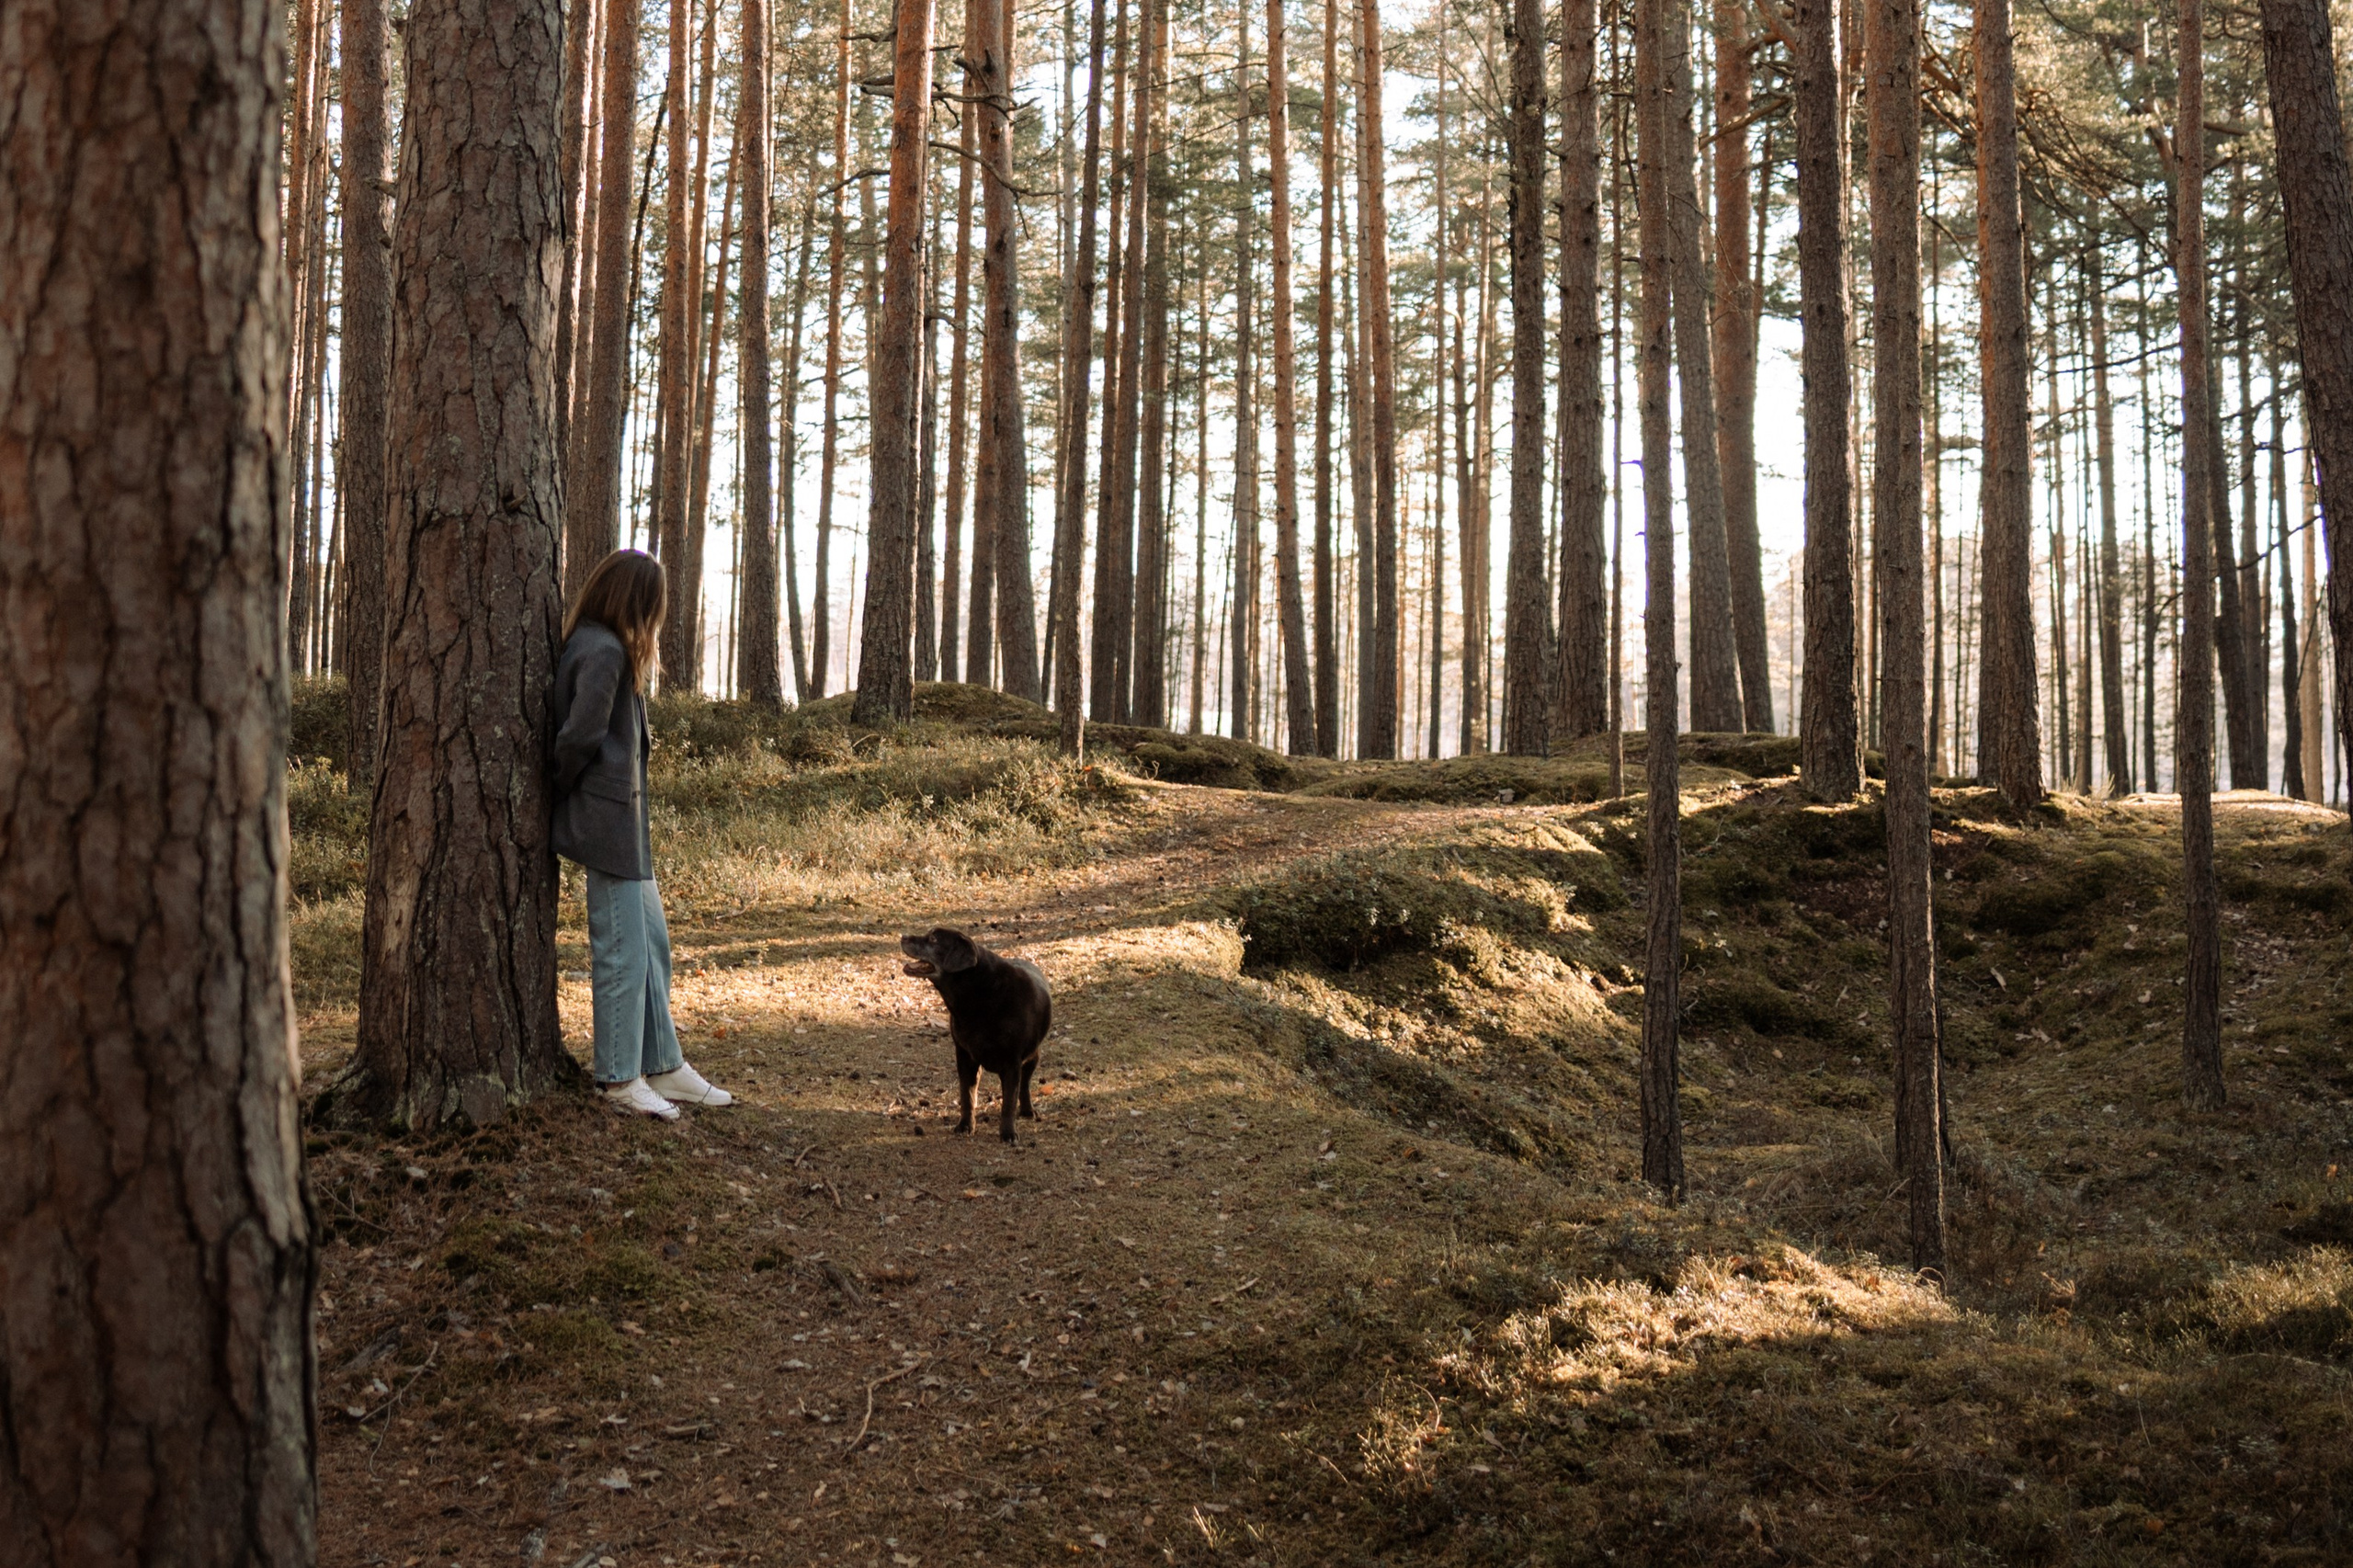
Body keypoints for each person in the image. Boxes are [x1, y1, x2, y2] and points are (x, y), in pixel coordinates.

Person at [551, 550, 733, 1119]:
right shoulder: (603, 650)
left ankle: (663, 1064)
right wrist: (557, 791)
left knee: (651, 943)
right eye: (654, 605)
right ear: (636, 601)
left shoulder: (597, 643)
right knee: (623, 952)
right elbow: (578, 738)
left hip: (624, 828)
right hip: (606, 826)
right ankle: (619, 1077)